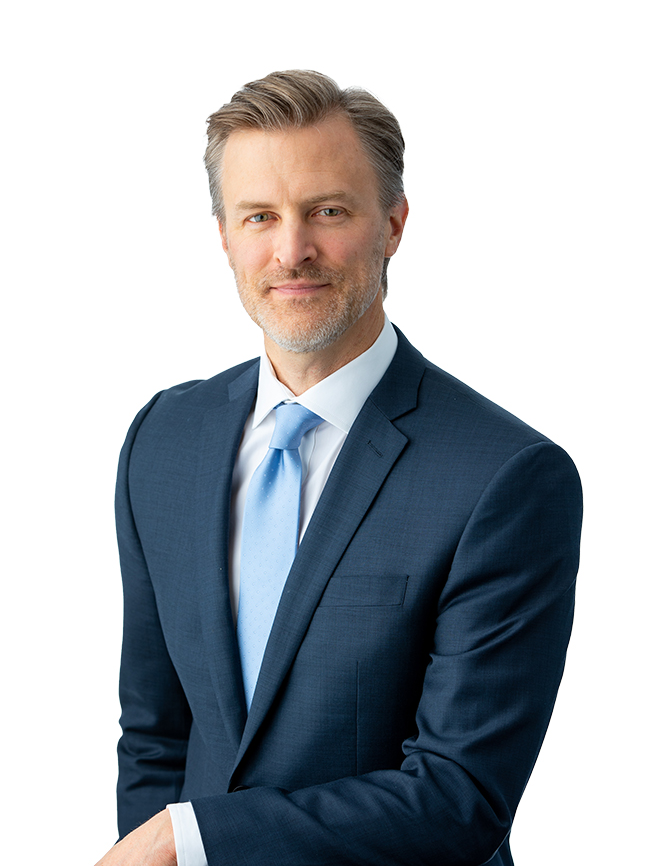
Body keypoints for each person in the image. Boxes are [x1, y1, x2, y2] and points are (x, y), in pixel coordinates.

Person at [95, 70, 582, 866]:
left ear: (393, 225)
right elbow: (157, 734)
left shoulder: (505, 477)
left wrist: (194, 840)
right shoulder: (164, 439)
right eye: (260, 216)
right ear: (224, 236)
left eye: (327, 211)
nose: (292, 251)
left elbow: (460, 797)